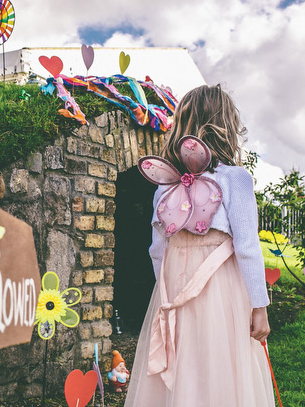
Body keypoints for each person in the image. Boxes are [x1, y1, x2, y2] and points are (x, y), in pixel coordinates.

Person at [124, 84, 274, 406]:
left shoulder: (164, 187)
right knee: (221, 363)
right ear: (227, 127)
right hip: (221, 290)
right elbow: (247, 247)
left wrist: (165, 293)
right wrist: (258, 306)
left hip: (173, 288)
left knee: (183, 361)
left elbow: (156, 250)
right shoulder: (235, 178)